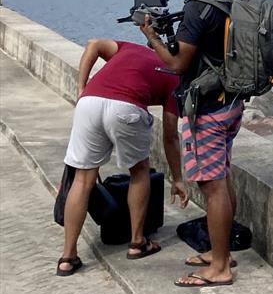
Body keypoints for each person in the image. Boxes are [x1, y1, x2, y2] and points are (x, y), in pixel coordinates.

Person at [142, 0, 240, 288]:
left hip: (207, 110)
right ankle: (219, 253)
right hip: (231, 102)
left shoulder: (198, 8)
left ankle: (220, 268)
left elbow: (177, 64)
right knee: (222, 181)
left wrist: (151, 35)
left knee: (213, 189)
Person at [57, 35, 189, 277]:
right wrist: (178, 179)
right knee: (139, 172)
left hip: (89, 103)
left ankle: (68, 257)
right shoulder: (176, 75)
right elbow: (170, 136)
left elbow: (93, 44)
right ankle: (138, 242)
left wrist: (81, 87)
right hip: (126, 107)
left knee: (83, 179)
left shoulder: (129, 49)